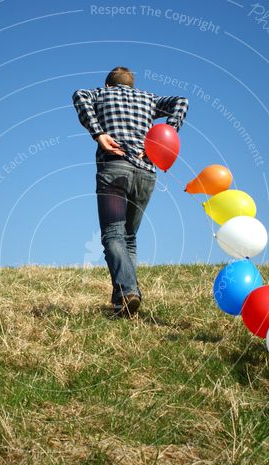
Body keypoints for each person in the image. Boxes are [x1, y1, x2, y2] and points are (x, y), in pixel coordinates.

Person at [72, 67, 188, 317]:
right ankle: (122, 302)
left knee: (113, 234)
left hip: (115, 169)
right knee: (129, 237)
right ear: (131, 85)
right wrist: (160, 142)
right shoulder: (149, 99)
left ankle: (128, 291)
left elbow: (79, 95)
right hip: (146, 174)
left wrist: (99, 133)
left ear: (109, 84)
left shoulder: (101, 94)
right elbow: (181, 101)